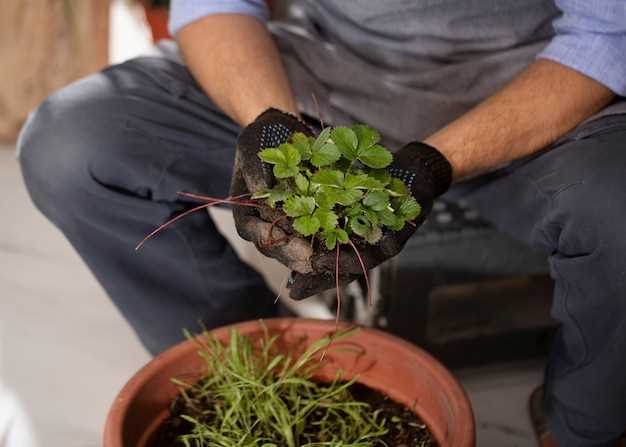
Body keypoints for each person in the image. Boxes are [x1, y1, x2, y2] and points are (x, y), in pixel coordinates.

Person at [16, 0, 626, 445]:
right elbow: (215, 5)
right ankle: (256, 367)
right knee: (73, 144)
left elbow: (605, 33)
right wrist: (269, 121)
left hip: (535, 88)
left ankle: (583, 426)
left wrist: (435, 163)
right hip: (329, 71)